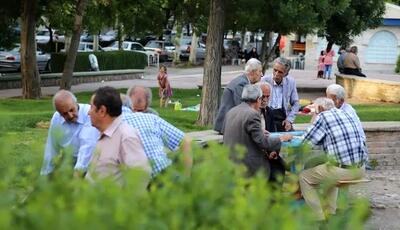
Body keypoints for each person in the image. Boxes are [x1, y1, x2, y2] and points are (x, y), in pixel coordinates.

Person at [300, 97, 368, 221]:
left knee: (304, 177)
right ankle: (331, 213)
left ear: (320, 108)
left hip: (343, 171)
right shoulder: (347, 113)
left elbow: (305, 143)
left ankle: (320, 219)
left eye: (315, 110)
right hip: (360, 169)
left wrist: (315, 117)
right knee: (328, 169)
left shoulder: (323, 117)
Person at [223, 84, 292, 181]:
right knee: (278, 168)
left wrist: (260, 131)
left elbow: (237, 132)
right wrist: (281, 138)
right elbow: (263, 142)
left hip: (231, 161)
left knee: (277, 164)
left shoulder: (231, 111)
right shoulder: (252, 114)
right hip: (249, 166)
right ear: (258, 99)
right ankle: (271, 195)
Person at [86, 86, 151, 185]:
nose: (88, 112)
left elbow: (140, 176)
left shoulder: (126, 137)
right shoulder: (105, 134)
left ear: (102, 111)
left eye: (91, 107)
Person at [120, 95, 186, 177]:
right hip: (165, 176)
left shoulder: (107, 126)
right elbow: (186, 141)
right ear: (132, 107)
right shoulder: (152, 118)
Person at [40, 90, 99, 176]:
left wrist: (77, 174)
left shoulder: (89, 113)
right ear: (59, 113)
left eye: (72, 110)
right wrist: (45, 174)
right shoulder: (56, 118)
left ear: (76, 103)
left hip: (93, 161)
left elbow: (87, 146)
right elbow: (51, 147)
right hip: (70, 161)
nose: (70, 116)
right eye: (64, 114)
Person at [214, 58, 263, 134]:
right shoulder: (241, 84)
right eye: (260, 71)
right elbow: (242, 107)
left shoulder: (243, 81)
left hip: (230, 124)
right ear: (253, 72)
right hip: (227, 126)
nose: (262, 74)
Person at [258, 82, 288, 182]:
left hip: (268, 150)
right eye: (263, 97)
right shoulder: (251, 113)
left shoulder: (269, 112)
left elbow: (273, 133)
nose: (265, 100)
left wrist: (273, 151)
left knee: (281, 166)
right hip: (257, 152)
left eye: (267, 96)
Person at [262, 57, 300, 132]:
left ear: (286, 73)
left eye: (280, 72)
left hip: (282, 116)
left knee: (292, 139)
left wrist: (289, 120)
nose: (276, 74)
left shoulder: (291, 82)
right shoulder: (264, 81)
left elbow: (296, 103)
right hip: (266, 115)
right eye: (275, 70)